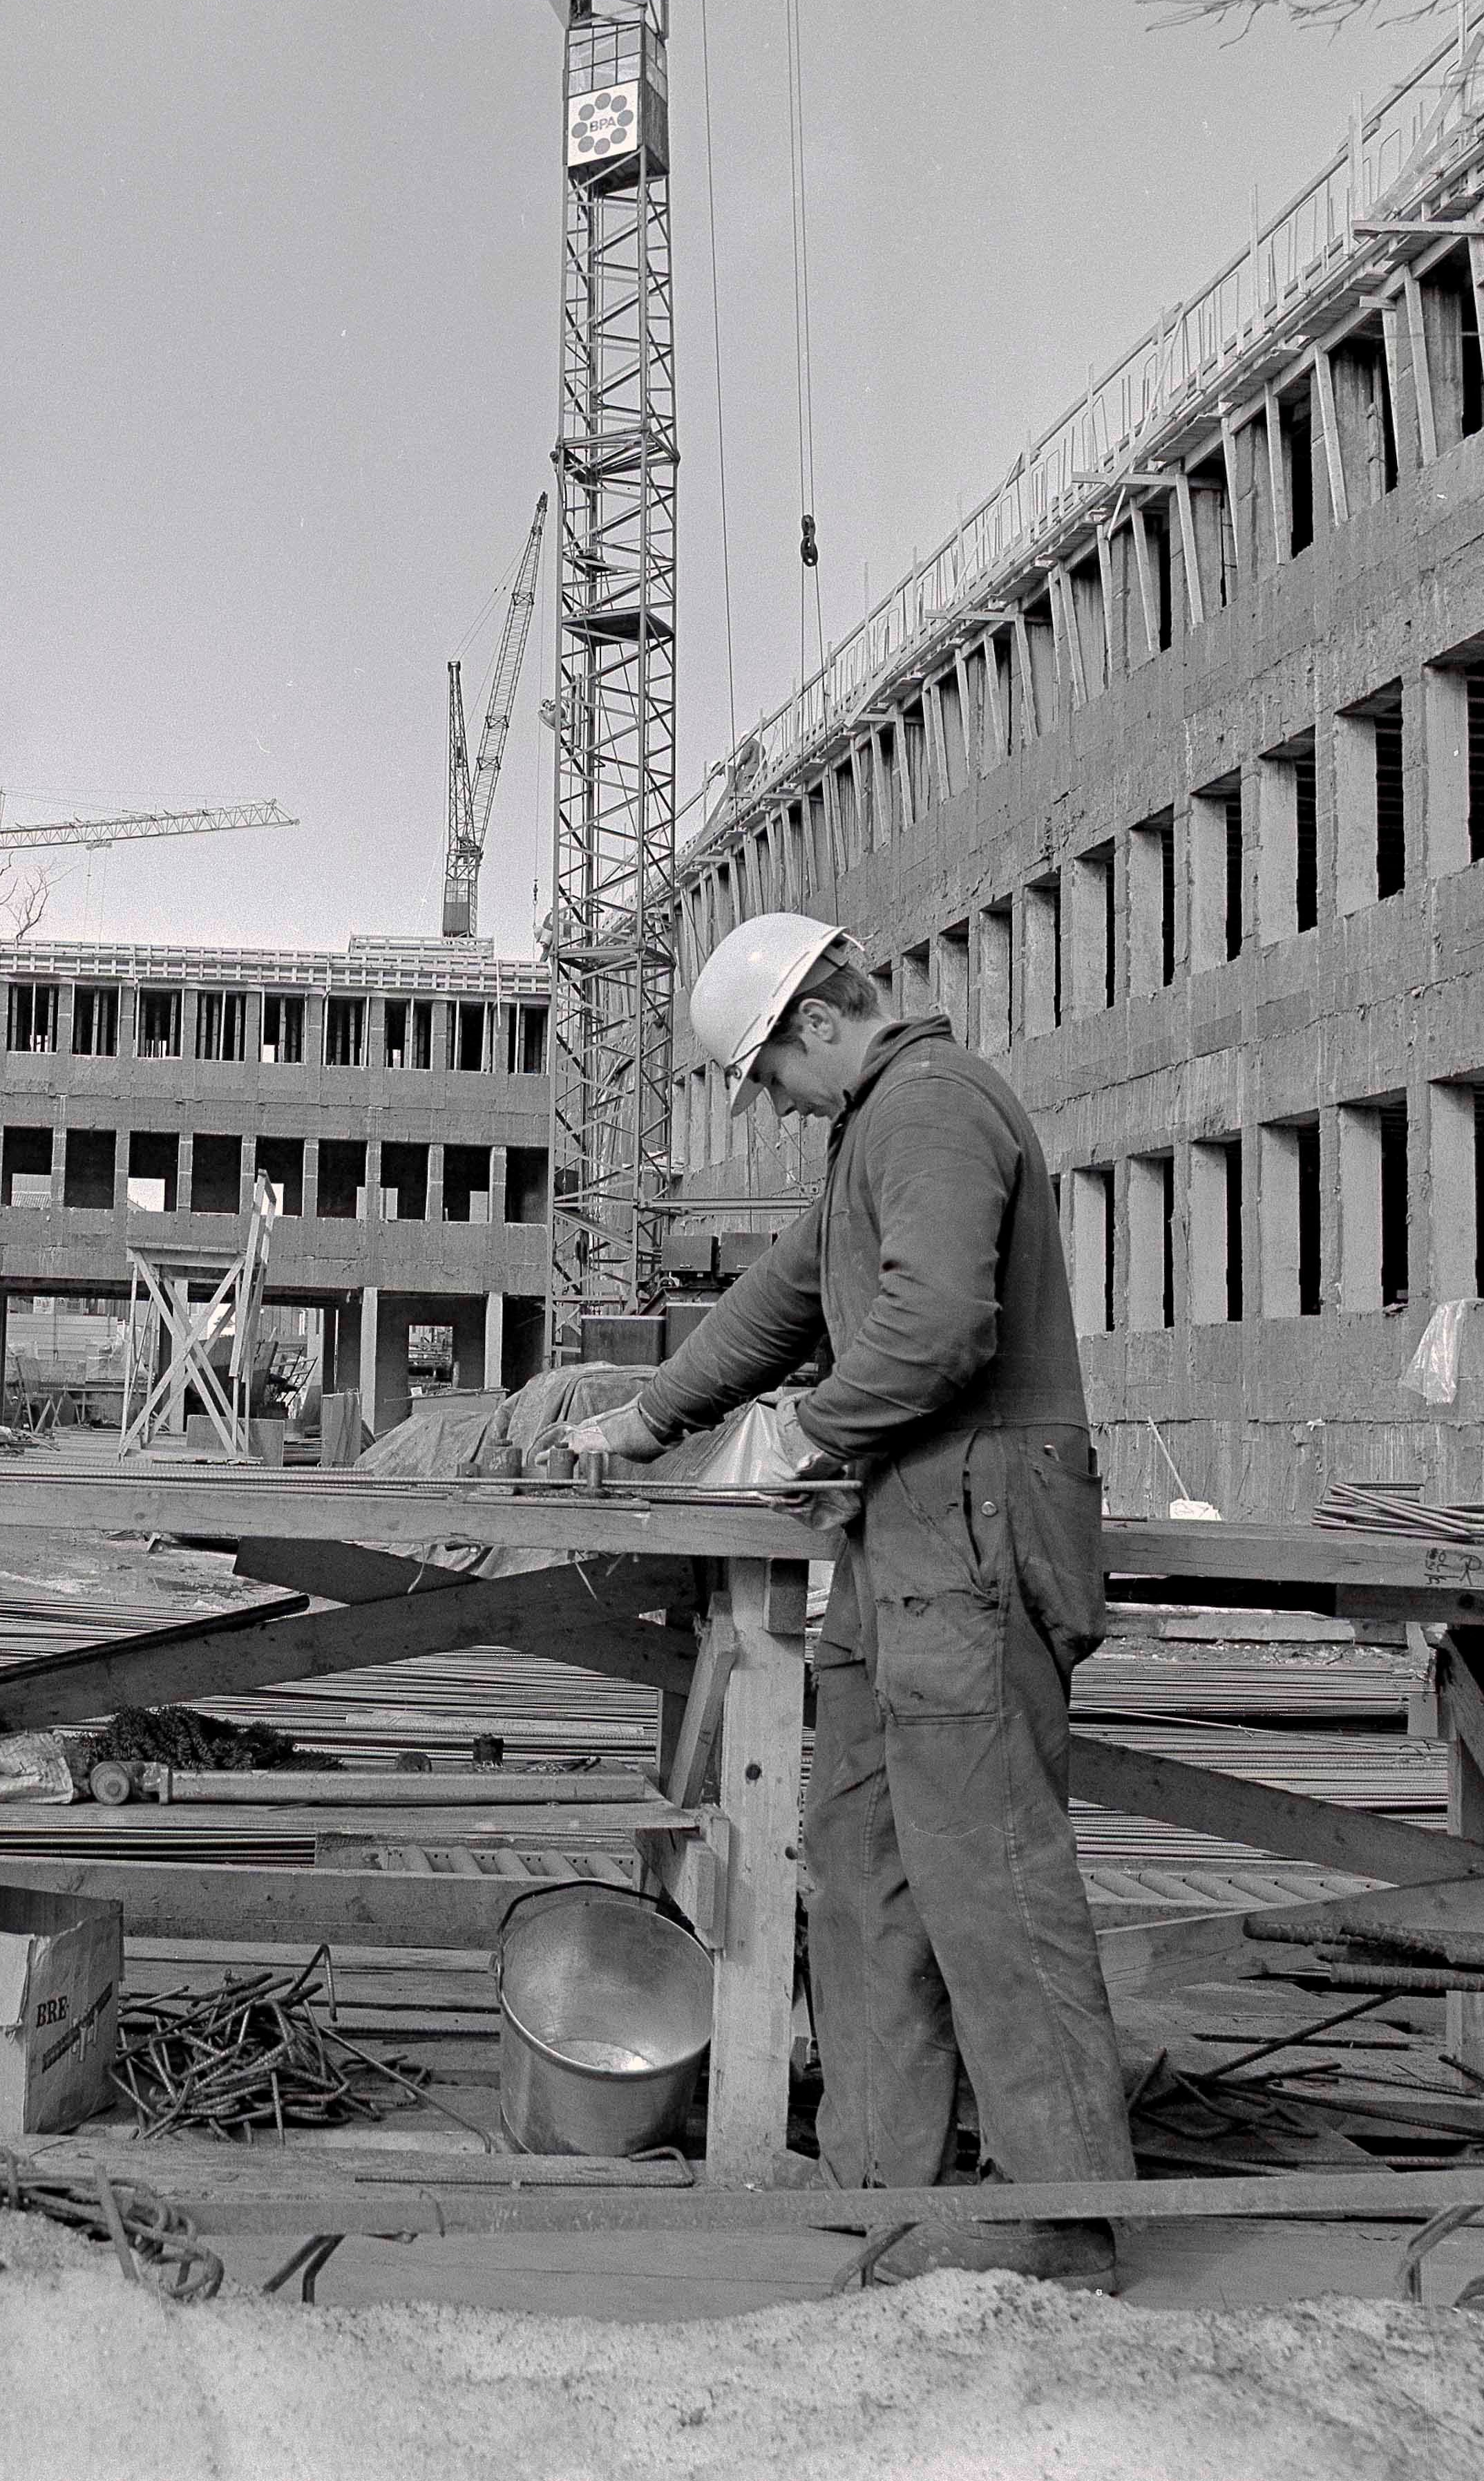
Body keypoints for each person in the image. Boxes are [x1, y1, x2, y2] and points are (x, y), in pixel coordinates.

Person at [564, 912, 1136, 2290]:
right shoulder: (872, 1128)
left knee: (984, 1866)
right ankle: (888, 2171)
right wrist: (647, 1415)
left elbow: (937, 1325)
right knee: (859, 1847)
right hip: (906, 1530)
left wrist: (801, 1434)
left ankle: (1056, 2212)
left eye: (766, 1077)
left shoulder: (932, 1110)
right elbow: (782, 1297)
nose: (769, 1104)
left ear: (819, 1022)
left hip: (972, 1521)